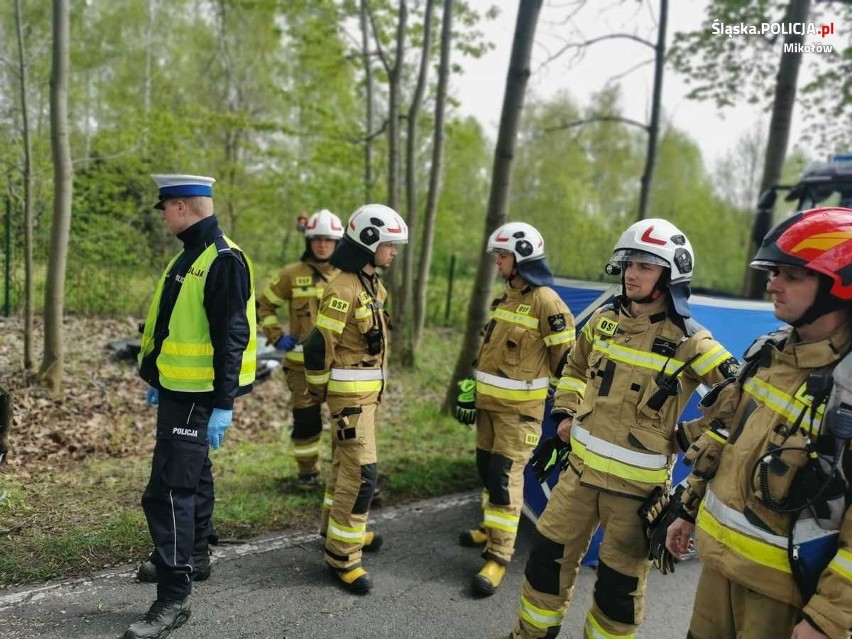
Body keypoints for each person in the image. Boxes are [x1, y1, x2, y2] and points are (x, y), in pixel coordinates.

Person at [502, 218, 739, 639]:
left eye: (646, 265)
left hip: (636, 494)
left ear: (670, 275)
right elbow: (574, 367)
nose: (632, 273)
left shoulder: (691, 341)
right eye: (629, 262)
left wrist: (686, 437)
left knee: (618, 591)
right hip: (576, 479)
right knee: (544, 564)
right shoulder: (603, 322)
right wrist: (565, 415)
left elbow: (739, 402)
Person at [665, 207, 852, 639]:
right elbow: (724, 438)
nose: (772, 283)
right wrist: (687, 508)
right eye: (773, 272)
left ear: (838, 283)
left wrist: (829, 618)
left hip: (787, 602)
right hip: (718, 574)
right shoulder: (767, 356)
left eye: (790, 274)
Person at [125, 174, 256, 639]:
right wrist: (158, 376)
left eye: (165, 208)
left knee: (167, 493)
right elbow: (176, 327)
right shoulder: (190, 255)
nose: (162, 216)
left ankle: (172, 599)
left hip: (199, 397)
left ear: (182, 207)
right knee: (194, 478)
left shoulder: (221, 259)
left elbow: (232, 336)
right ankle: (193, 558)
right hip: (178, 391)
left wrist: (224, 405)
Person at [454, 221, 576, 597]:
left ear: (520, 258)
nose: (497, 263)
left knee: (505, 482)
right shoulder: (504, 297)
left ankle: (498, 556)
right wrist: (470, 390)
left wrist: (567, 413)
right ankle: (491, 530)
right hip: (489, 409)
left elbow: (570, 364)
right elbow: (488, 353)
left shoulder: (547, 303)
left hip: (519, 415)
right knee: (488, 474)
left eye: (502, 256)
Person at [302, 203, 408, 595]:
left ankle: (336, 530)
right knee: (363, 475)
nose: (394, 252)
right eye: (390, 245)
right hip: (348, 399)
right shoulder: (343, 287)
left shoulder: (372, 285)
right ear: (369, 242)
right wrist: (315, 390)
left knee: (344, 469)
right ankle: (343, 557)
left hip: (366, 396)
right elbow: (317, 347)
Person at [257, 209, 344, 489]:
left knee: (346, 425)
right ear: (308, 241)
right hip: (301, 366)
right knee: (307, 422)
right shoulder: (291, 275)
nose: (322, 244)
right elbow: (263, 305)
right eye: (317, 239)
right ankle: (308, 474)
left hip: (341, 366)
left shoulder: (348, 276)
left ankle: (345, 475)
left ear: (337, 243)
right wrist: (275, 335)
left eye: (328, 240)